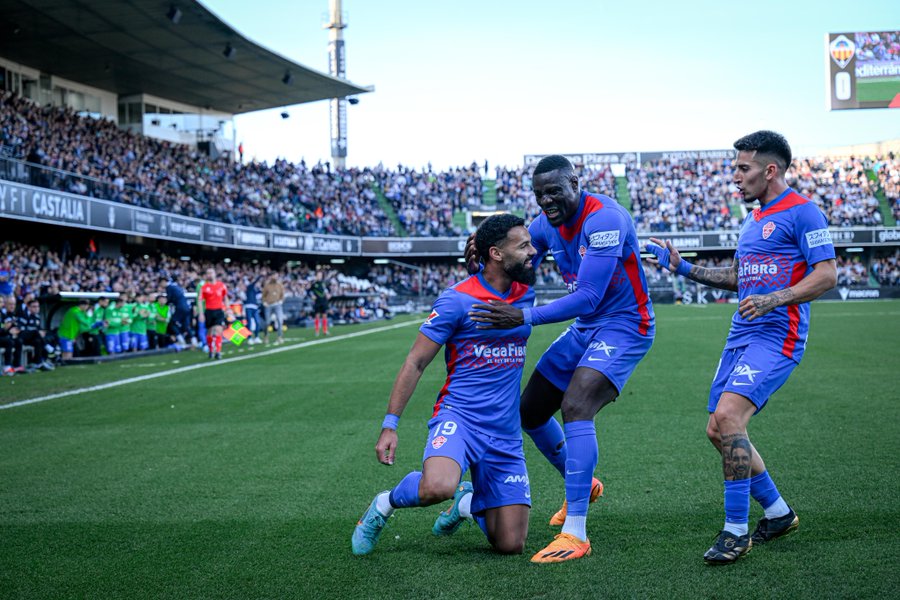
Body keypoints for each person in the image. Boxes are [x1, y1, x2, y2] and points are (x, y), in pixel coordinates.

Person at [644, 130, 837, 564]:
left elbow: (827, 275)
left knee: (729, 418)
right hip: (742, 335)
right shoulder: (752, 219)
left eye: (742, 168)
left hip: (777, 336)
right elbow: (738, 278)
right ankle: (778, 512)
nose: (735, 177)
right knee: (718, 429)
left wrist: (775, 298)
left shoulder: (804, 213)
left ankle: (735, 532)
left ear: (770, 170)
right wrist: (683, 268)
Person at [467, 155, 655, 563]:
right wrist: (487, 255)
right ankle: (583, 483)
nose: (546, 201)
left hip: (625, 325)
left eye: (554, 191)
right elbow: (521, 261)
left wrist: (524, 316)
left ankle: (576, 534)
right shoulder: (545, 225)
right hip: (588, 327)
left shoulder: (603, 219)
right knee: (530, 412)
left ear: (575, 181)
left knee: (576, 405)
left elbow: (589, 296)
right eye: (539, 194)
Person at [351, 214, 537, 557]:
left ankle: (466, 504)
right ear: (496, 254)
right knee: (437, 486)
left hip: (505, 430)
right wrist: (390, 425)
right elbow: (416, 362)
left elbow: (557, 234)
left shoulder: (526, 294)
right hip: (461, 417)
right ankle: (383, 504)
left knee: (510, 544)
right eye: (524, 245)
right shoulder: (457, 299)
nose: (533, 250)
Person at [18, 297, 54, 370]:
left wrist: (42, 332)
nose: (36, 308)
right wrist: (37, 332)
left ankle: (38, 362)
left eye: (37, 306)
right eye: (34, 307)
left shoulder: (37, 317)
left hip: (34, 338)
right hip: (23, 338)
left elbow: (38, 328)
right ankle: (47, 346)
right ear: (28, 307)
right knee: (36, 332)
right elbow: (21, 329)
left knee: (40, 339)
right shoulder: (24, 315)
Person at [200, 268, 228, 359]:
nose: (209, 275)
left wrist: (227, 309)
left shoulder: (221, 285)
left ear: (215, 274)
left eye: (211, 273)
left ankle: (218, 352)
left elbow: (225, 297)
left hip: (219, 310)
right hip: (209, 311)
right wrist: (201, 313)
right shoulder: (204, 287)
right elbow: (200, 300)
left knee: (218, 330)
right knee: (210, 332)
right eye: (208, 273)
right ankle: (211, 350)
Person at [0, 295, 24, 374]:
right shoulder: (3, 314)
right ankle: (7, 366)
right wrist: (7, 331)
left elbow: (16, 324)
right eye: (10, 304)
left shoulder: (8, 314)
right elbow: (4, 327)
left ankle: (16, 365)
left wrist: (16, 329)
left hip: (4, 336)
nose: (1, 304)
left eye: (2, 302)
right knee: (9, 341)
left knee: (18, 341)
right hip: (3, 337)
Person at [261, 274, 285, 345]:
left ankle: (280, 337)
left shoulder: (279, 285)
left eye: (276, 276)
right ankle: (266, 336)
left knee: (280, 321)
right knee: (267, 322)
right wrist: (264, 302)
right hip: (269, 305)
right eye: (273, 276)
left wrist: (281, 300)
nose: (275, 277)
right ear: (271, 276)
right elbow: (263, 296)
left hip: (277, 304)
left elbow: (282, 294)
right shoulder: (267, 285)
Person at [310, 270, 330, 337]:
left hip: (324, 301)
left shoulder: (323, 283)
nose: (319, 277)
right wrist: (312, 296)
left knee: (324, 315)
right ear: (316, 276)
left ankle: (325, 330)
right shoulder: (314, 284)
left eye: (320, 275)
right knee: (317, 316)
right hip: (317, 302)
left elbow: (327, 290)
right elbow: (309, 291)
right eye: (318, 275)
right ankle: (317, 331)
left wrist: (328, 294)